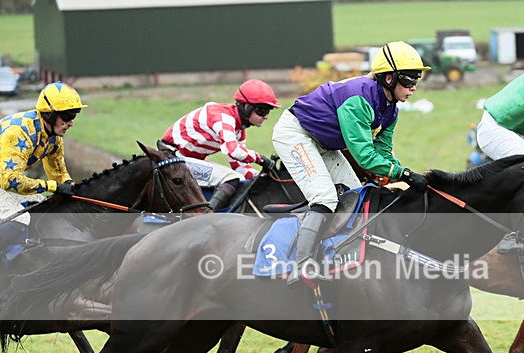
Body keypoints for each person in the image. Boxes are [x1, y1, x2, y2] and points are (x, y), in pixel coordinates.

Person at [272, 41, 430, 284]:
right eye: (408, 80)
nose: (413, 88)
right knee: (325, 197)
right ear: (389, 78)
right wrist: (405, 174)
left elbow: (383, 151)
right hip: (296, 134)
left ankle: (339, 254)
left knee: (358, 196)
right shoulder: (360, 98)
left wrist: (402, 173)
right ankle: (301, 265)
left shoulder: (391, 110)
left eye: (416, 80)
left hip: (324, 144)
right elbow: (364, 155)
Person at [0, 81, 85, 294]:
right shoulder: (20, 132)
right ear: (49, 114)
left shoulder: (53, 137)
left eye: (74, 116)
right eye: (67, 116)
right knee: (19, 218)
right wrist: (52, 186)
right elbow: (10, 181)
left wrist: (71, 187)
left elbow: (58, 172)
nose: (71, 123)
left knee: (44, 206)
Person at [160, 79, 280, 212]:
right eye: (262, 111)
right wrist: (261, 159)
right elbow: (235, 151)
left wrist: (261, 177)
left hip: (181, 159)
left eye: (268, 111)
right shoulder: (223, 117)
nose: (266, 117)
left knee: (238, 178)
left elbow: (239, 166)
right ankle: (207, 217)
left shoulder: (239, 130)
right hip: (171, 158)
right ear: (246, 107)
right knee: (230, 178)